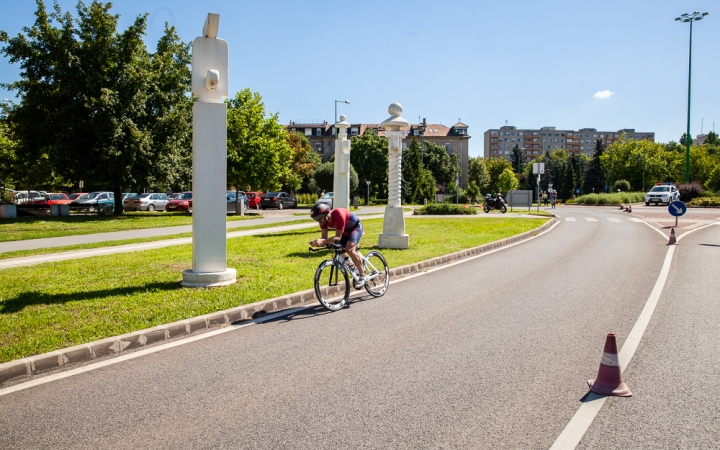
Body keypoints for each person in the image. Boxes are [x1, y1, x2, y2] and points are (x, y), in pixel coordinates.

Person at [309, 203, 366, 286]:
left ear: (327, 214)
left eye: (319, 218)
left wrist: (323, 241)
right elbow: (324, 238)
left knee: (349, 249)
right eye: (316, 219)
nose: (319, 221)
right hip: (345, 232)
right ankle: (354, 265)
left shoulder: (339, 214)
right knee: (339, 250)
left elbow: (338, 237)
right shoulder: (322, 221)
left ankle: (362, 275)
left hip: (355, 228)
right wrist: (317, 242)